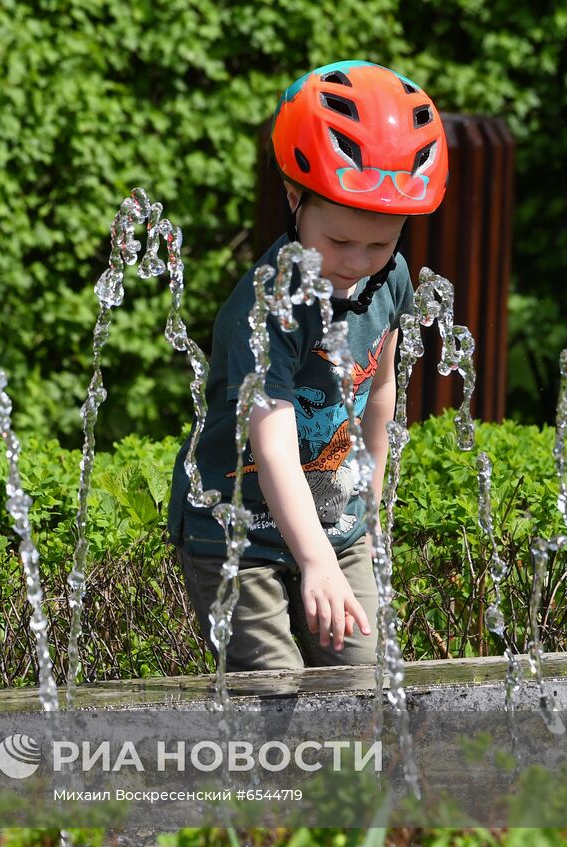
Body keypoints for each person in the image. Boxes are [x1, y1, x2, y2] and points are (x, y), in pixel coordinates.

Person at [167, 60, 449, 671]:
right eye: (340, 241)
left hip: (337, 522)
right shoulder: (265, 309)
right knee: (275, 693)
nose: (358, 261)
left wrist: (368, 513)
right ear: (295, 199)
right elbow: (271, 447)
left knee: (360, 680)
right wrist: (314, 559)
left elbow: (379, 388)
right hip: (239, 535)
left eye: (379, 244)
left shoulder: (389, 279)